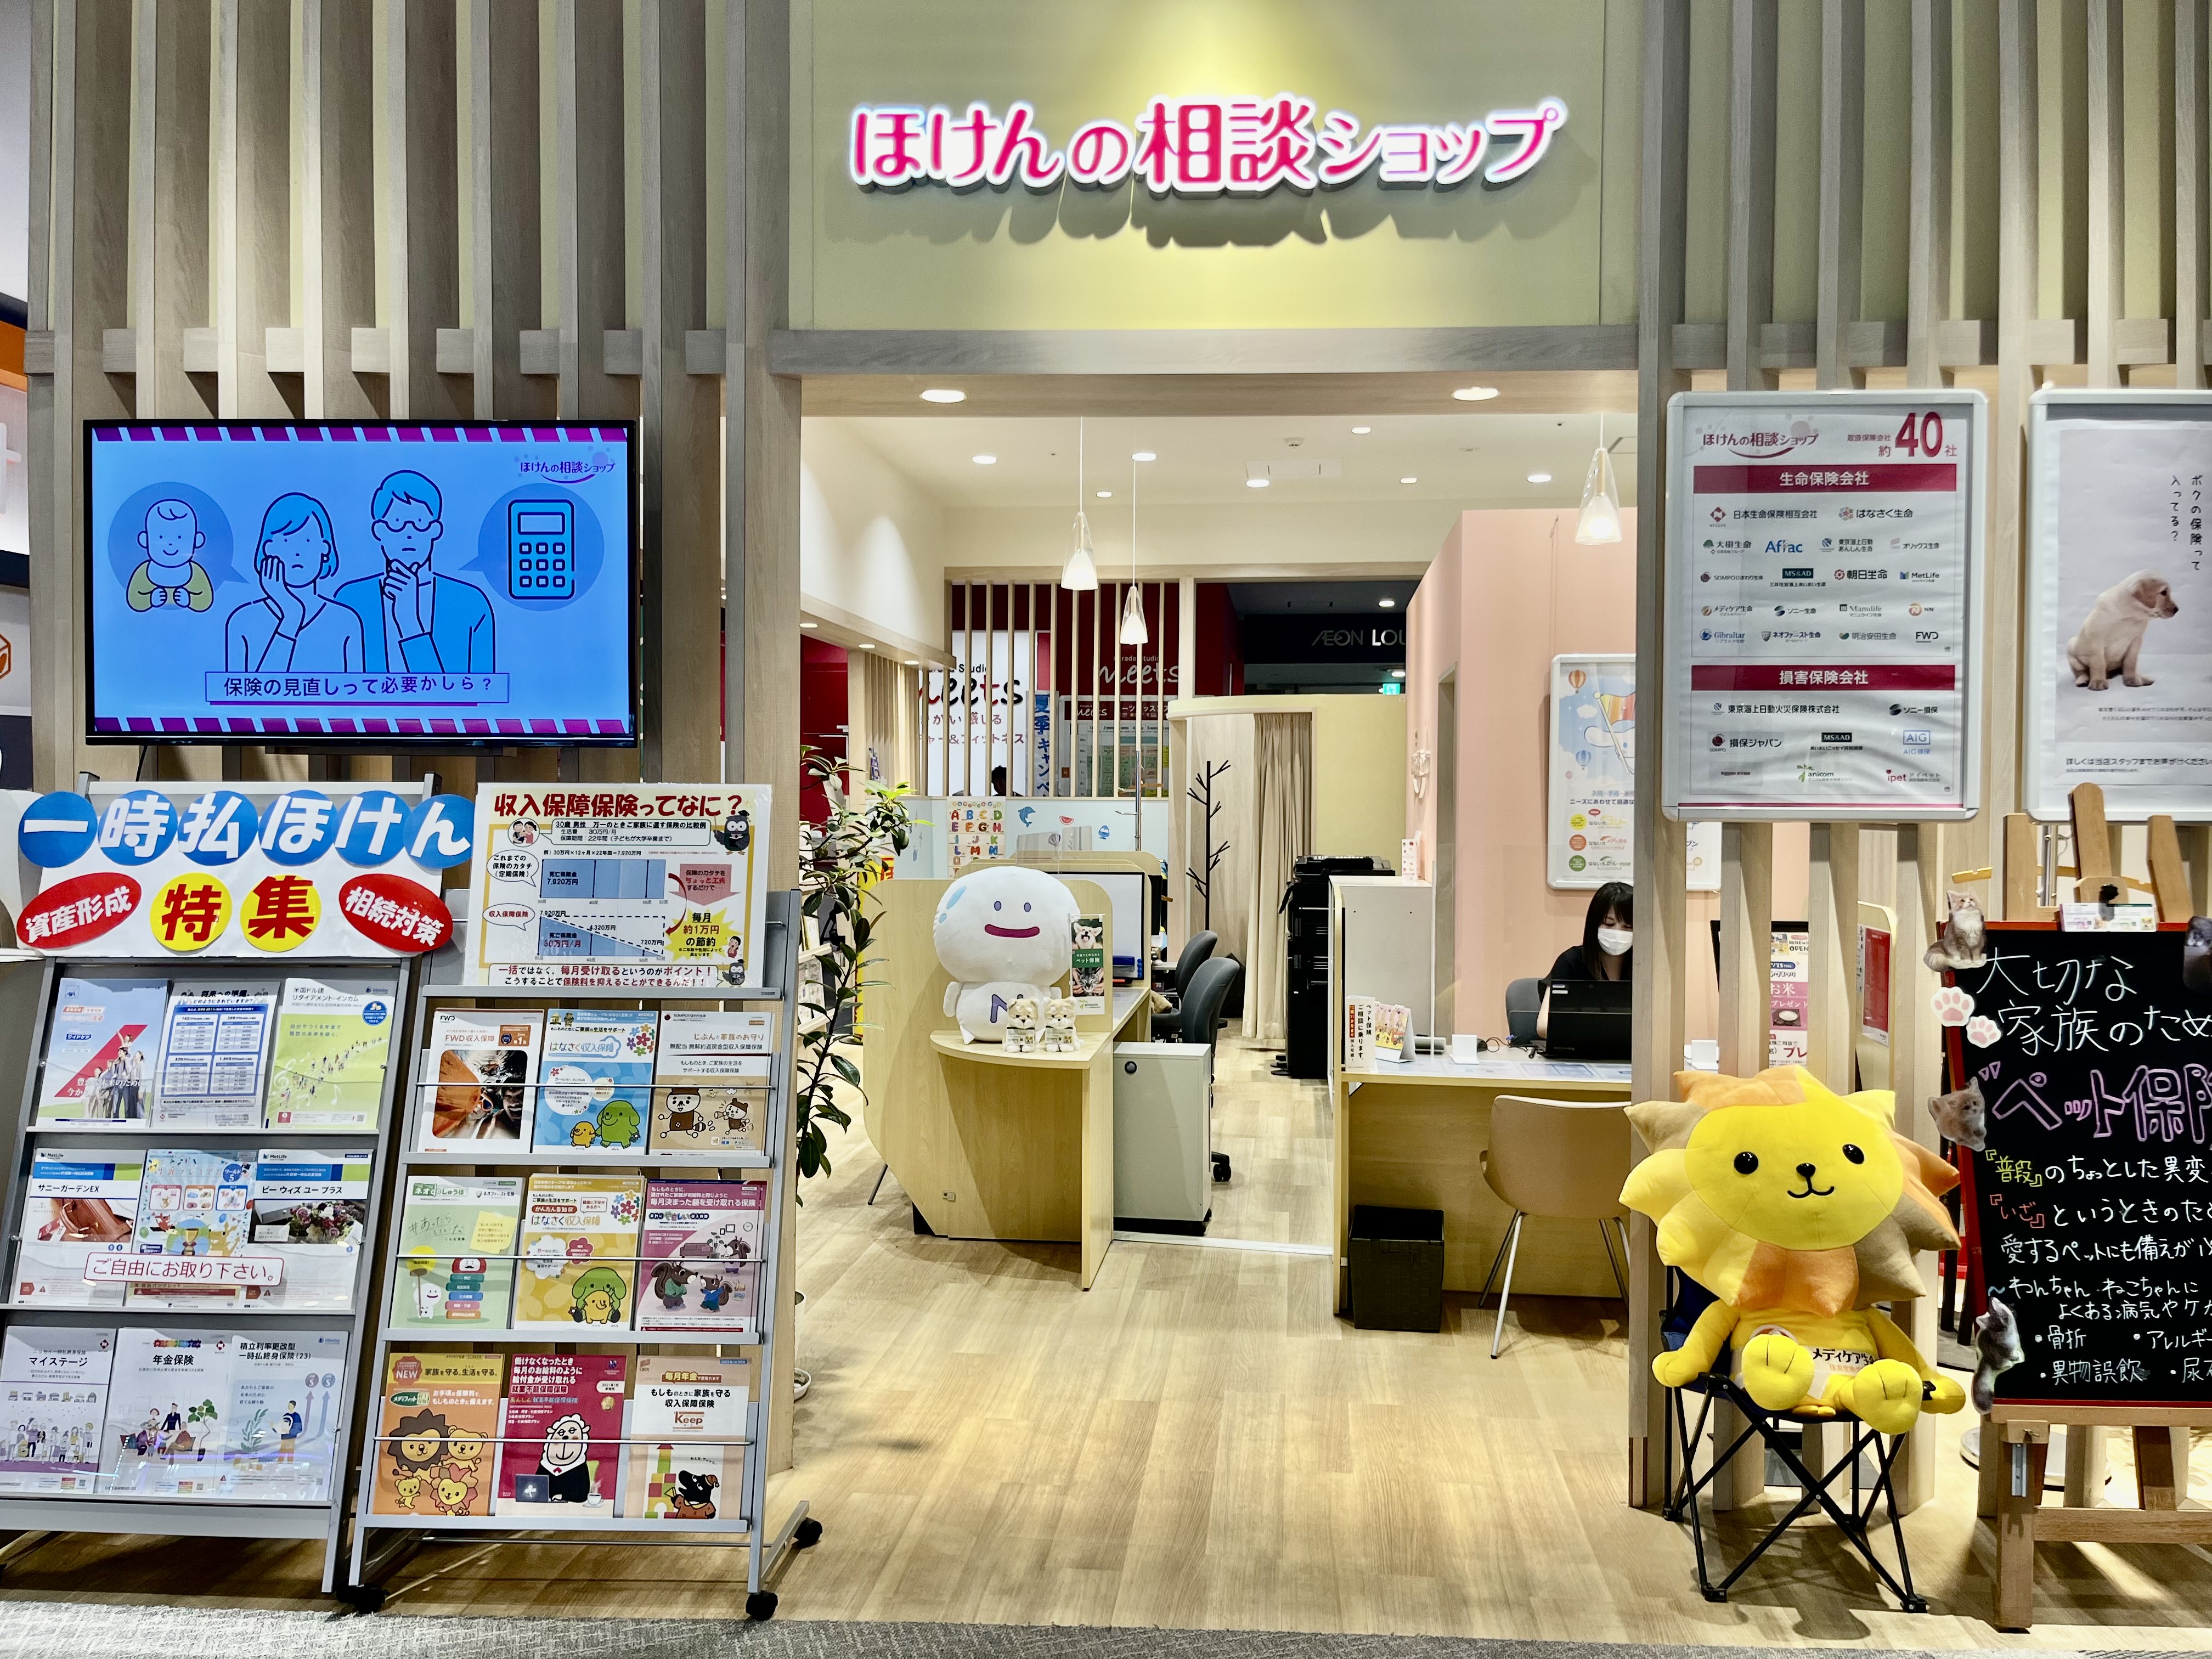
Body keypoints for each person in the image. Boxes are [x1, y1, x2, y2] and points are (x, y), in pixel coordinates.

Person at [334, 470, 496, 672]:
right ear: (379, 530)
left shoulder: (470, 602)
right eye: (397, 524)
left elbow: (483, 688)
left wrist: (410, 624)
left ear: (435, 530)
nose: (409, 533)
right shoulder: (352, 600)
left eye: (420, 523)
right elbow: (337, 683)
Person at [225, 494, 366, 672]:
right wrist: (291, 617)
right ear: (268, 549)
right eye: (286, 541)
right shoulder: (242, 621)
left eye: (308, 540)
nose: (298, 552)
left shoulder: (346, 620)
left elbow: (356, 688)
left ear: (325, 549)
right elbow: (255, 689)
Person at [1536, 881, 1632, 1042]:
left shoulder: (1646, 968)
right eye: (1609, 924)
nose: (1618, 933)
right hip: (1578, 1051)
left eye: (1628, 926)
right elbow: (1544, 1026)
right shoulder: (1571, 962)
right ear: (1594, 924)